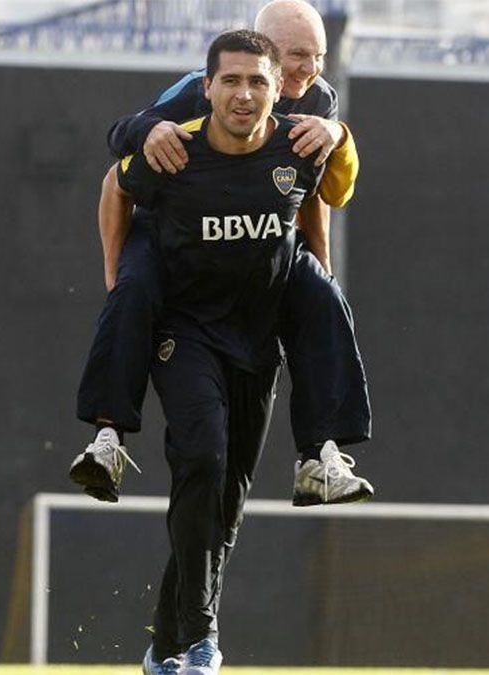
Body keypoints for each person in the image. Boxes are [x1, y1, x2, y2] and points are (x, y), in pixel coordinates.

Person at [71, 0, 373, 508]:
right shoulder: (196, 93)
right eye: (299, 55)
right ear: (263, 55)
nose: (312, 69)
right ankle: (108, 439)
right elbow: (118, 156)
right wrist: (148, 133)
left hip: (256, 240)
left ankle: (321, 455)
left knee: (324, 296)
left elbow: (319, 193)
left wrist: (338, 139)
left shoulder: (317, 97)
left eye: (318, 56)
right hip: (170, 234)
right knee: (133, 291)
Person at [101, 30, 327, 674]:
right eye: (232, 80)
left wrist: (316, 295)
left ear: (279, 87)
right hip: (186, 330)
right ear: (208, 87)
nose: (246, 91)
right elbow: (116, 175)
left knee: (224, 499)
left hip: (255, 338)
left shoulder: (308, 129)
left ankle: (165, 649)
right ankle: (202, 636)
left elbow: (317, 206)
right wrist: (120, 282)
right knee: (200, 453)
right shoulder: (177, 133)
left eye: (260, 80)